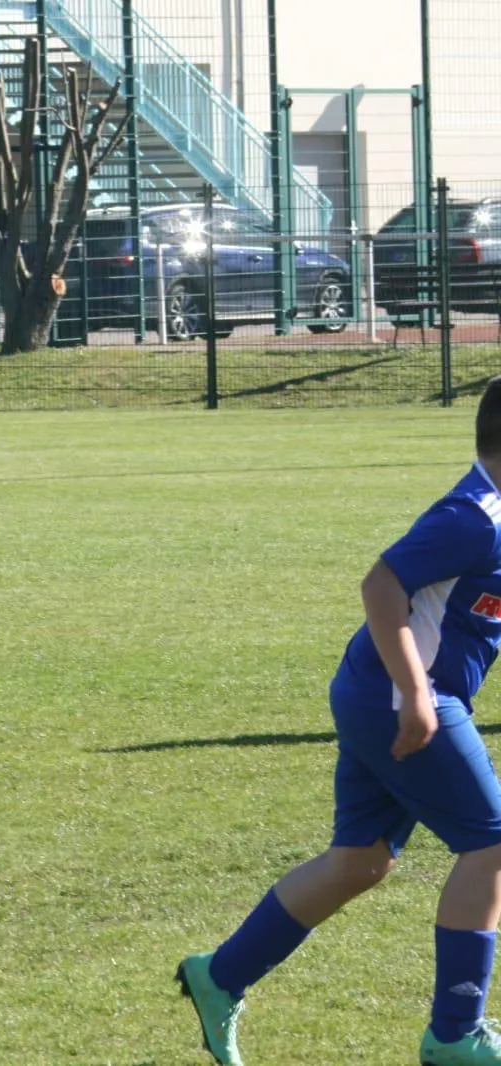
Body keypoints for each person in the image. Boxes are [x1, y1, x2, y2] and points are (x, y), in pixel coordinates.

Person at [179, 375, 501, 1066]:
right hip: (398, 697)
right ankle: (454, 1033)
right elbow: (381, 583)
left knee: (360, 861)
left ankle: (219, 976)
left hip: (374, 692)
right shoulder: (475, 517)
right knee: (493, 843)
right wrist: (416, 694)